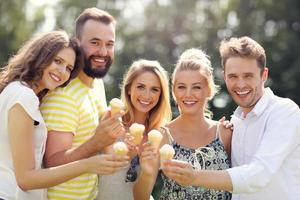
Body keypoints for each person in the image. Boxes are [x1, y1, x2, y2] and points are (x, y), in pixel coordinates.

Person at [161, 36, 300, 200]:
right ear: (225, 77)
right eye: (233, 76)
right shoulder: (234, 122)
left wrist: (194, 177)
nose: (240, 84)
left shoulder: (284, 112)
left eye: (248, 76)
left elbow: (258, 175)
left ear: (264, 75)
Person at [0, 30, 128, 200]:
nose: (62, 71)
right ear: (40, 56)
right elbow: (25, 179)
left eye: (68, 68)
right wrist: (87, 165)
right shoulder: (24, 96)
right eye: (58, 61)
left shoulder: (15, 90)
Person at [40, 8, 127, 200]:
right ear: (77, 43)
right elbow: (52, 163)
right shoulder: (63, 93)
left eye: (109, 44)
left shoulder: (97, 85)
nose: (103, 52)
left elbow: (99, 145)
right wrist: (97, 141)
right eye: (94, 43)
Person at [134, 48, 232, 200]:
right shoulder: (162, 136)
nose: (188, 94)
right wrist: (146, 172)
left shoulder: (225, 133)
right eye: (181, 87)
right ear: (173, 91)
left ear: (209, 90)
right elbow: (139, 197)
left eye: (196, 87)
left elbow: (242, 182)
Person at [96, 59, 172, 200]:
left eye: (154, 89)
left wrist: (147, 173)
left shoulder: (160, 135)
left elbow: (142, 197)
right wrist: (127, 153)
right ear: (129, 89)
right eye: (141, 87)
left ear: (161, 95)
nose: (147, 95)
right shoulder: (111, 118)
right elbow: (105, 173)